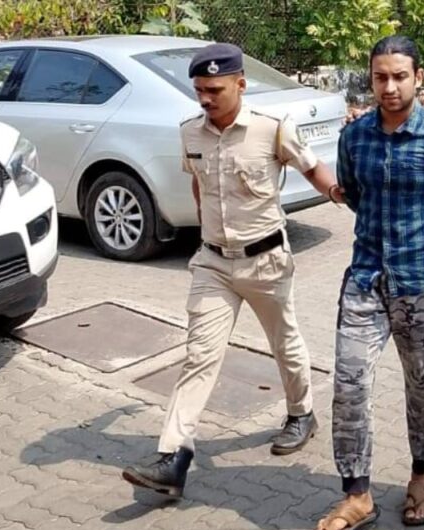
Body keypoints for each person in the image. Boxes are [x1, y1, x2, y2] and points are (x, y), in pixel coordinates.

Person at [121, 43, 342, 497]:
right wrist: (206, 236)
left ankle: (301, 413)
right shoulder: (190, 133)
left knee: (285, 343)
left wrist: (343, 195)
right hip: (214, 264)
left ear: (240, 84)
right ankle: (174, 458)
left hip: (266, 261)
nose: (205, 98)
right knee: (199, 357)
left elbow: (313, 168)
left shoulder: (272, 130)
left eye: (215, 90)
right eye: (199, 90)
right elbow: (200, 188)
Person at [307, 35, 424, 530]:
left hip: (423, 284)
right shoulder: (355, 136)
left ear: (418, 78)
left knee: (422, 388)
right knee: (349, 383)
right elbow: (354, 195)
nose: (389, 87)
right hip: (365, 279)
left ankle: (421, 474)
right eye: (380, 77)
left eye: (400, 76)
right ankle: (357, 495)